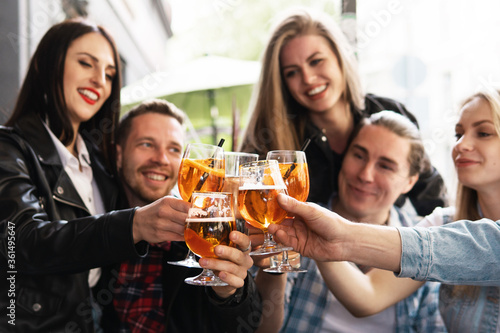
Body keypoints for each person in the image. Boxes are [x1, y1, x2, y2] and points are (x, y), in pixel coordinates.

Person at [0, 19, 189, 332]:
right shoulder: (10, 149)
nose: (100, 80)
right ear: (48, 66)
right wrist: (135, 224)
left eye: (110, 74)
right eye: (86, 63)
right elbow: (21, 244)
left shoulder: (98, 162)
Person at [269, 89, 500, 331]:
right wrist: (323, 239)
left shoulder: (435, 228)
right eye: (458, 134)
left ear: (411, 180)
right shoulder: (442, 223)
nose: (461, 144)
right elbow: (368, 296)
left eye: (484, 133)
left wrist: (339, 236)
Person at [239, 8, 447, 216]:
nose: (309, 79)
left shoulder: (389, 114)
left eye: (316, 61)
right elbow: (253, 218)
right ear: (282, 83)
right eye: (292, 72)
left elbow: (433, 201)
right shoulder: (268, 139)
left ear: (340, 58)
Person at [257, 111, 445, 333]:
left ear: (410, 182)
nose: (365, 175)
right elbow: (263, 328)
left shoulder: (422, 242)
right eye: (359, 156)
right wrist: (272, 269)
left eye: (385, 166)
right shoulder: (296, 222)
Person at [99, 99, 261, 332]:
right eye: (146, 144)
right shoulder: (96, 220)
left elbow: (246, 325)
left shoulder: (210, 228)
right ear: (119, 154)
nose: (161, 159)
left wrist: (229, 293)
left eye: (174, 149)